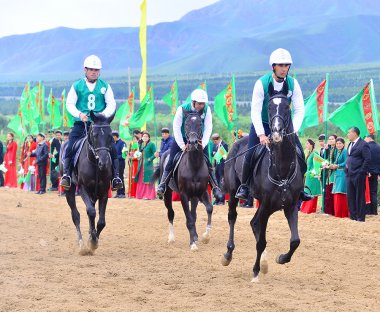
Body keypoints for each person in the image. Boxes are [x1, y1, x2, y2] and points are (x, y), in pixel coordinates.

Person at [235, 48, 312, 202]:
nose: (284, 69)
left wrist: (293, 130)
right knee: (250, 154)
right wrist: (261, 134)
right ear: (273, 67)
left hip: (285, 126)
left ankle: (300, 188)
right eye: (281, 65)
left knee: (300, 154)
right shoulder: (261, 83)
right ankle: (244, 186)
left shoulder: (293, 83)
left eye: (286, 65)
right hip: (263, 124)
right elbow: (255, 111)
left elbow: (299, 109)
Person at [60, 55, 123, 191]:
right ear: (85, 70)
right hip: (81, 123)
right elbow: (69, 104)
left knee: (111, 148)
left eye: (96, 70)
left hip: (99, 125)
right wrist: (80, 114)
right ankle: (66, 175)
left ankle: (116, 177)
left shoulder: (105, 86)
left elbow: (111, 104)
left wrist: (102, 116)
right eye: (91, 69)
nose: (94, 72)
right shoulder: (77, 85)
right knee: (70, 146)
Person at [156, 89, 223, 199]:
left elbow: (208, 127)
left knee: (207, 160)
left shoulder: (207, 109)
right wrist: (182, 145)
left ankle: (215, 186)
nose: (201, 105)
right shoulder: (182, 109)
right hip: (181, 138)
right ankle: (162, 184)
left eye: (203, 103)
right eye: (199, 103)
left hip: (199, 139)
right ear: (193, 102)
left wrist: (204, 143)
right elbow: (176, 128)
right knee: (171, 159)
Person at [345, 127, 371, 222]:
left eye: (349, 132)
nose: (347, 134)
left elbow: (367, 159)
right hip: (349, 174)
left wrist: (361, 172)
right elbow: (349, 157)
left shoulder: (363, 144)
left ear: (355, 133)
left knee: (359, 196)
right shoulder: (350, 144)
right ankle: (353, 216)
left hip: (358, 174)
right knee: (350, 196)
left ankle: (360, 218)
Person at [300, 139, 321, 214]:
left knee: (311, 191)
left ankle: (310, 209)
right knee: (307, 191)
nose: (306, 145)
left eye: (308, 143)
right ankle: (305, 208)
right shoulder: (309, 153)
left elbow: (317, 165)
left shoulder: (315, 153)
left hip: (312, 176)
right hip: (308, 175)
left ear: (311, 145)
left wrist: (309, 173)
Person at [135, 132, 156, 200]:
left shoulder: (151, 144)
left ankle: (149, 195)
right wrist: (138, 157)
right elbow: (140, 153)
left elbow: (155, 154)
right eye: (144, 136)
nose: (145, 137)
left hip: (148, 165)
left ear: (149, 138)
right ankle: (141, 195)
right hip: (141, 165)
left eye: (146, 136)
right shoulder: (141, 145)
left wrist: (150, 159)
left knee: (148, 179)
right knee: (141, 179)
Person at [331, 137, 349, 218]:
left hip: (342, 174)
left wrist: (337, 165)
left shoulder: (345, 151)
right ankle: (338, 213)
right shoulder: (338, 152)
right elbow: (335, 161)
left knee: (341, 193)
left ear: (343, 144)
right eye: (337, 143)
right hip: (337, 174)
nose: (338, 145)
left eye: (340, 143)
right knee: (337, 193)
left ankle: (342, 213)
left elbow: (346, 162)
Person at [322, 134, 338, 215]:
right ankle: (327, 210)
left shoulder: (336, 149)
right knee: (327, 191)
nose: (330, 140)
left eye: (332, 139)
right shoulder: (330, 148)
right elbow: (327, 159)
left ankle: (332, 210)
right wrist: (325, 164)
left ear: (336, 140)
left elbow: (335, 160)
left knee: (331, 191)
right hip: (328, 172)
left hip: (334, 172)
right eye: (329, 139)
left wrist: (329, 164)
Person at [211, 133, 228, 205]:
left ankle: (222, 200)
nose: (214, 143)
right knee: (216, 183)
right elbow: (212, 154)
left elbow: (224, 156)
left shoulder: (224, 144)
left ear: (218, 139)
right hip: (216, 167)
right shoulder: (215, 145)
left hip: (222, 167)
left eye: (215, 141)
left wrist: (217, 152)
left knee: (222, 183)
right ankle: (217, 198)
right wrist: (216, 153)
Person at [364, 134, 380, 215]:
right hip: (376, 173)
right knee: (374, 191)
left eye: (365, 138)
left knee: (367, 191)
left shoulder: (366, 146)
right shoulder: (379, 147)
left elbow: (366, 160)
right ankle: (374, 211)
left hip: (368, 172)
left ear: (369, 138)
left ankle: (368, 210)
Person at [127, 129, 142, 198]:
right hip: (132, 164)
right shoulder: (131, 144)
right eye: (133, 138)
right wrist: (129, 156)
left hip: (136, 163)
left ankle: (136, 192)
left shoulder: (139, 145)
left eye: (135, 138)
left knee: (135, 177)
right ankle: (131, 193)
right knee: (131, 178)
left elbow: (139, 155)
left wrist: (133, 157)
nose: (134, 139)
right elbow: (129, 153)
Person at [112, 131, 126, 198]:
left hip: (120, 163)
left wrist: (115, 157)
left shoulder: (122, 143)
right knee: (116, 177)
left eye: (112, 136)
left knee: (120, 176)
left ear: (115, 136)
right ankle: (118, 192)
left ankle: (122, 193)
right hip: (114, 163)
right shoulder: (113, 143)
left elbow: (124, 155)